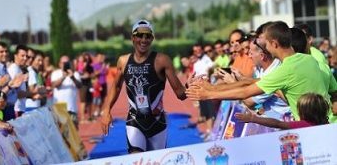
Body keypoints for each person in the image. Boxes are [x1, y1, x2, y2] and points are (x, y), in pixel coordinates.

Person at [186, 21, 331, 121]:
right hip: (324, 124)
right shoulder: (307, 59)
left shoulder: (285, 69)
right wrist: (212, 88)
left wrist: (209, 94)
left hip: (306, 129)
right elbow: (259, 83)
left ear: (274, 44)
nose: (265, 48)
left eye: (266, 44)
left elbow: (246, 92)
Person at [101, 19, 186, 153]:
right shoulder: (123, 61)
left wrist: (192, 87)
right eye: (140, 35)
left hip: (157, 123)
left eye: (147, 36)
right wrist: (106, 111)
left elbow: (180, 94)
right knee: (136, 159)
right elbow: (116, 87)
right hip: (134, 121)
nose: (143, 40)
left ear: (152, 38)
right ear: (133, 38)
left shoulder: (162, 60)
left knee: (157, 161)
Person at [235, 93, 329, 129]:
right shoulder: (327, 124)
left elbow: (277, 124)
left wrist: (253, 118)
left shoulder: (304, 125)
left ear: (305, 112)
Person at [51, 55, 82, 128]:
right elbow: (55, 85)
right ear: (59, 64)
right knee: (60, 132)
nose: (65, 64)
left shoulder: (75, 74)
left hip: (72, 108)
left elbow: (80, 86)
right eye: (63, 63)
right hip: (59, 108)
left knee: (73, 133)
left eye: (66, 63)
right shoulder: (55, 73)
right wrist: (63, 77)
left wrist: (72, 77)